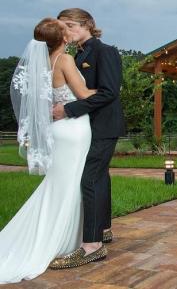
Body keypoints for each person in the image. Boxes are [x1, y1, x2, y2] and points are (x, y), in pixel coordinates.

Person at [0, 18, 96, 283]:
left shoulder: (41, 62)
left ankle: (63, 236)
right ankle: (61, 241)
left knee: (59, 184)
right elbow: (83, 94)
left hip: (58, 130)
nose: (70, 31)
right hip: (74, 129)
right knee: (71, 185)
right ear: (64, 39)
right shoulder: (64, 61)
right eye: (66, 29)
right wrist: (109, 91)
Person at [50, 8, 125, 268]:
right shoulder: (75, 55)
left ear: (88, 24)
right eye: (62, 27)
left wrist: (68, 110)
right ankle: (103, 229)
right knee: (99, 176)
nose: (66, 31)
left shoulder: (105, 51)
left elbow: (109, 93)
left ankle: (92, 246)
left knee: (90, 178)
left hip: (104, 125)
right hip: (86, 128)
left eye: (70, 25)